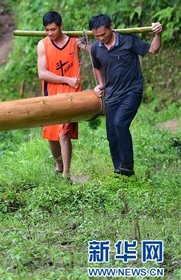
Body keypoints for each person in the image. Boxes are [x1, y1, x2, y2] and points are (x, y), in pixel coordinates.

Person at [89, 14, 163, 176]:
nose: (101, 38)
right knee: (111, 134)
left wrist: (157, 34)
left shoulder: (128, 40)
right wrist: (100, 84)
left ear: (111, 27)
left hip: (131, 91)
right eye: (97, 36)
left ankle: (127, 166)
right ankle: (119, 168)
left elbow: (154, 49)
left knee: (120, 124)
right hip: (111, 95)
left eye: (104, 34)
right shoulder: (96, 48)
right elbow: (97, 67)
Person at [37, 11, 82, 180]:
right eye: (47, 30)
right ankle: (59, 165)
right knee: (52, 135)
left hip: (72, 96)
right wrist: (66, 79)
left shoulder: (74, 42)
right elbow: (42, 74)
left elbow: (95, 51)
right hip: (52, 95)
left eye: (53, 30)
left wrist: (86, 42)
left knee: (63, 133)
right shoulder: (43, 45)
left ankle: (66, 175)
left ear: (61, 26)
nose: (50, 33)